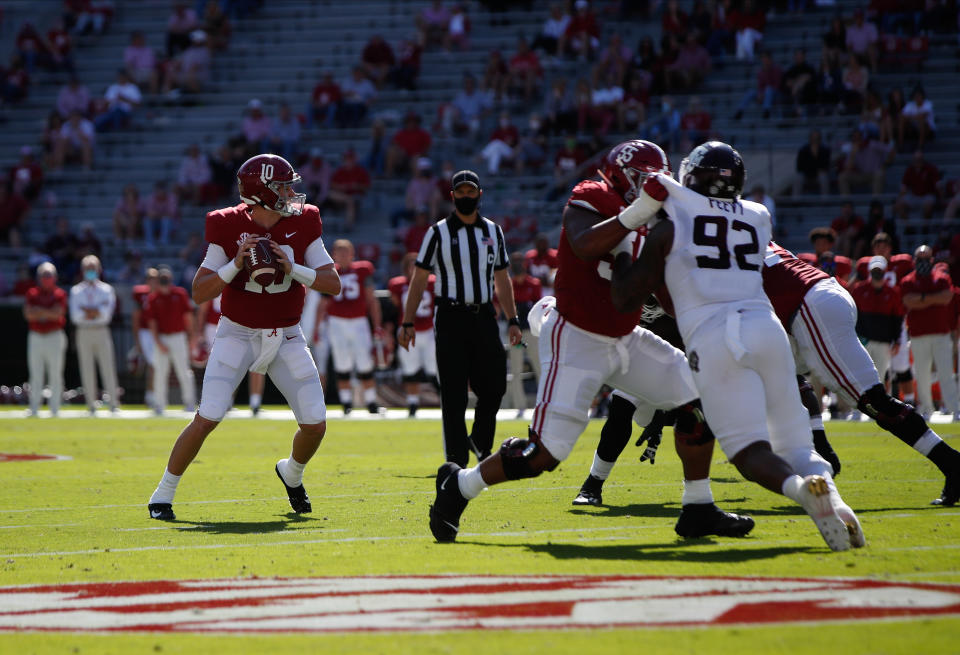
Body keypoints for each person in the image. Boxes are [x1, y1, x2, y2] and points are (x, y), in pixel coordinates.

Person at [423, 148, 751, 543]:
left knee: (699, 400)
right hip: (577, 336)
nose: (655, 184)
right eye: (647, 176)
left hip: (626, 337)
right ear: (624, 174)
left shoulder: (655, 218)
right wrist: (639, 212)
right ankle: (459, 487)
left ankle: (698, 507)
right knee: (541, 455)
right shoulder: (593, 194)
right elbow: (584, 244)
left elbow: (663, 291)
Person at [611, 141, 864, 551]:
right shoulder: (758, 215)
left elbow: (625, 296)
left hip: (715, 335)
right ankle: (834, 501)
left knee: (747, 450)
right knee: (797, 443)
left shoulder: (673, 218)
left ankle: (805, 495)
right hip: (765, 327)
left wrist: (631, 229)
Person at [147, 153, 341, 521]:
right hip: (236, 333)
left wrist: (292, 266)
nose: (291, 193)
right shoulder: (225, 224)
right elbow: (200, 292)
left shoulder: (305, 220)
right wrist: (236, 262)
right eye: (283, 187)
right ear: (261, 191)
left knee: (316, 424)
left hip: (286, 334)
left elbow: (333, 283)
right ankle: (163, 492)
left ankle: (292, 473)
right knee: (208, 415)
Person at [763, 241, 960, 504]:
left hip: (807, 305)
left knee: (873, 401)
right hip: (817, 297)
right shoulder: (747, 224)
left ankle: (952, 463)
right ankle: (822, 448)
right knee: (782, 370)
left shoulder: (715, 236)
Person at [399, 169, 521, 470]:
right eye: (461, 192)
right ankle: (456, 460)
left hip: (484, 315)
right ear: (452, 196)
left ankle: (479, 441)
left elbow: (503, 279)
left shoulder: (493, 231)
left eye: (471, 191)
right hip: (451, 316)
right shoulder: (437, 232)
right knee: (453, 393)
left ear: (480, 194)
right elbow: (418, 279)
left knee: (494, 387)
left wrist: (513, 318)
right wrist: (408, 321)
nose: (466, 196)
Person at [324, 239, 383, 415]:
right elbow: (323, 303)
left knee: (364, 362)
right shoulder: (330, 271)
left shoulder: (363, 270)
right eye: (339, 252)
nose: (342, 255)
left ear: (352, 254)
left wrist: (377, 325)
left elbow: (371, 299)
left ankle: (371, 402)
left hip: (359, 321)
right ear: (333, 254)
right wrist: (317, 326)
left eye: (346, 252)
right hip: (336, 322)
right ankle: (346, 403)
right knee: (342, 365)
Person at [900, 245, 959, 420]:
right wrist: (933, 298)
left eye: (926, 258)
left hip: (941, 333)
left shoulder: (941, 278)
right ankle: (926, 408)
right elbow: (909, 301)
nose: (923, 262)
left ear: (932, 260)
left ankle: (955, 408)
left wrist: (922, 298)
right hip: (918, 334)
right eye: (920, 259)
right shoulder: (908, 280)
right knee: (922, 373)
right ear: (915, 260)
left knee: (946, 372)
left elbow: (946, 297)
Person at [388, 253, 437, 417]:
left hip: (429, 330)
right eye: (411, 266)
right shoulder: (398, 285)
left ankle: (444, 401)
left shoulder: (432, 282)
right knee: (410, 370)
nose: (414, 270)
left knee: (435, 369)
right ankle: (413, 403)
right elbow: (395, 305)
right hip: (408, 330)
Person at [143, 266, 197, 415]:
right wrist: (158, 343)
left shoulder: (180, 294)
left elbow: (188, 317)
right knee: (160, 372)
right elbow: (152, 323)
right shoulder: (153, 298)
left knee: (183, 371)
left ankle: (190, 403)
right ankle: (159, 405)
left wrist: (192, 337)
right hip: (162, 338)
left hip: (178, 337)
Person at [69, 255, 119, 414]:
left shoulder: (107, 289)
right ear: (83, 270)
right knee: (86, 368)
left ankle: (113, 404)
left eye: (93, 268)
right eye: (88, 268)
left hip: (101, 330)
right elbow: (75, 316)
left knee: (107, 367)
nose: (91, 271)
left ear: (99, 270)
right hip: (84, 331)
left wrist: (87, 310)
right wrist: (96, 310)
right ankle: (91, 404)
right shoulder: (76, 290)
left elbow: (106, 314)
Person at [851, 255, 904, 385]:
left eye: (880, 271)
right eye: (875, 270)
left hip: (883, 342)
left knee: (879, 378)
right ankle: (860, 405)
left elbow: (897, 318)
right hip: (863, 342)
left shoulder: (893, 292)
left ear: (885, 272)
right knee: (860, 376)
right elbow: (853, 315)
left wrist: (896, 340)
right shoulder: (859, 289)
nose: (877, 273)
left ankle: (878, 405)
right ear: (869, 271)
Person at [23, 262, 67, 417]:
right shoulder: (32, 293)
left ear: (54, 277)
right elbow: (28, 314)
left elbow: (58, 314)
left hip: (54, 335)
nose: (46, 278)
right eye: (44, 275)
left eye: (49, 275)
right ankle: (34, 407)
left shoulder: (59, 293)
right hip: (36, 336)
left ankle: (55, 408)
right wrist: (48, 312)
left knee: (55, 373)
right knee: (35, 373)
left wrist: (40, 312)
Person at [506, 252, 542, 417]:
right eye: (515, 262)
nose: (518, 264)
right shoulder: (509, 284)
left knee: (538, 366)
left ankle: (542, 402)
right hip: (516, 332)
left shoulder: (533, 284)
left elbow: (538, 306)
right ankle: (519, 405)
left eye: (520, 261)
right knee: (516, 368)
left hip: (530, 332)